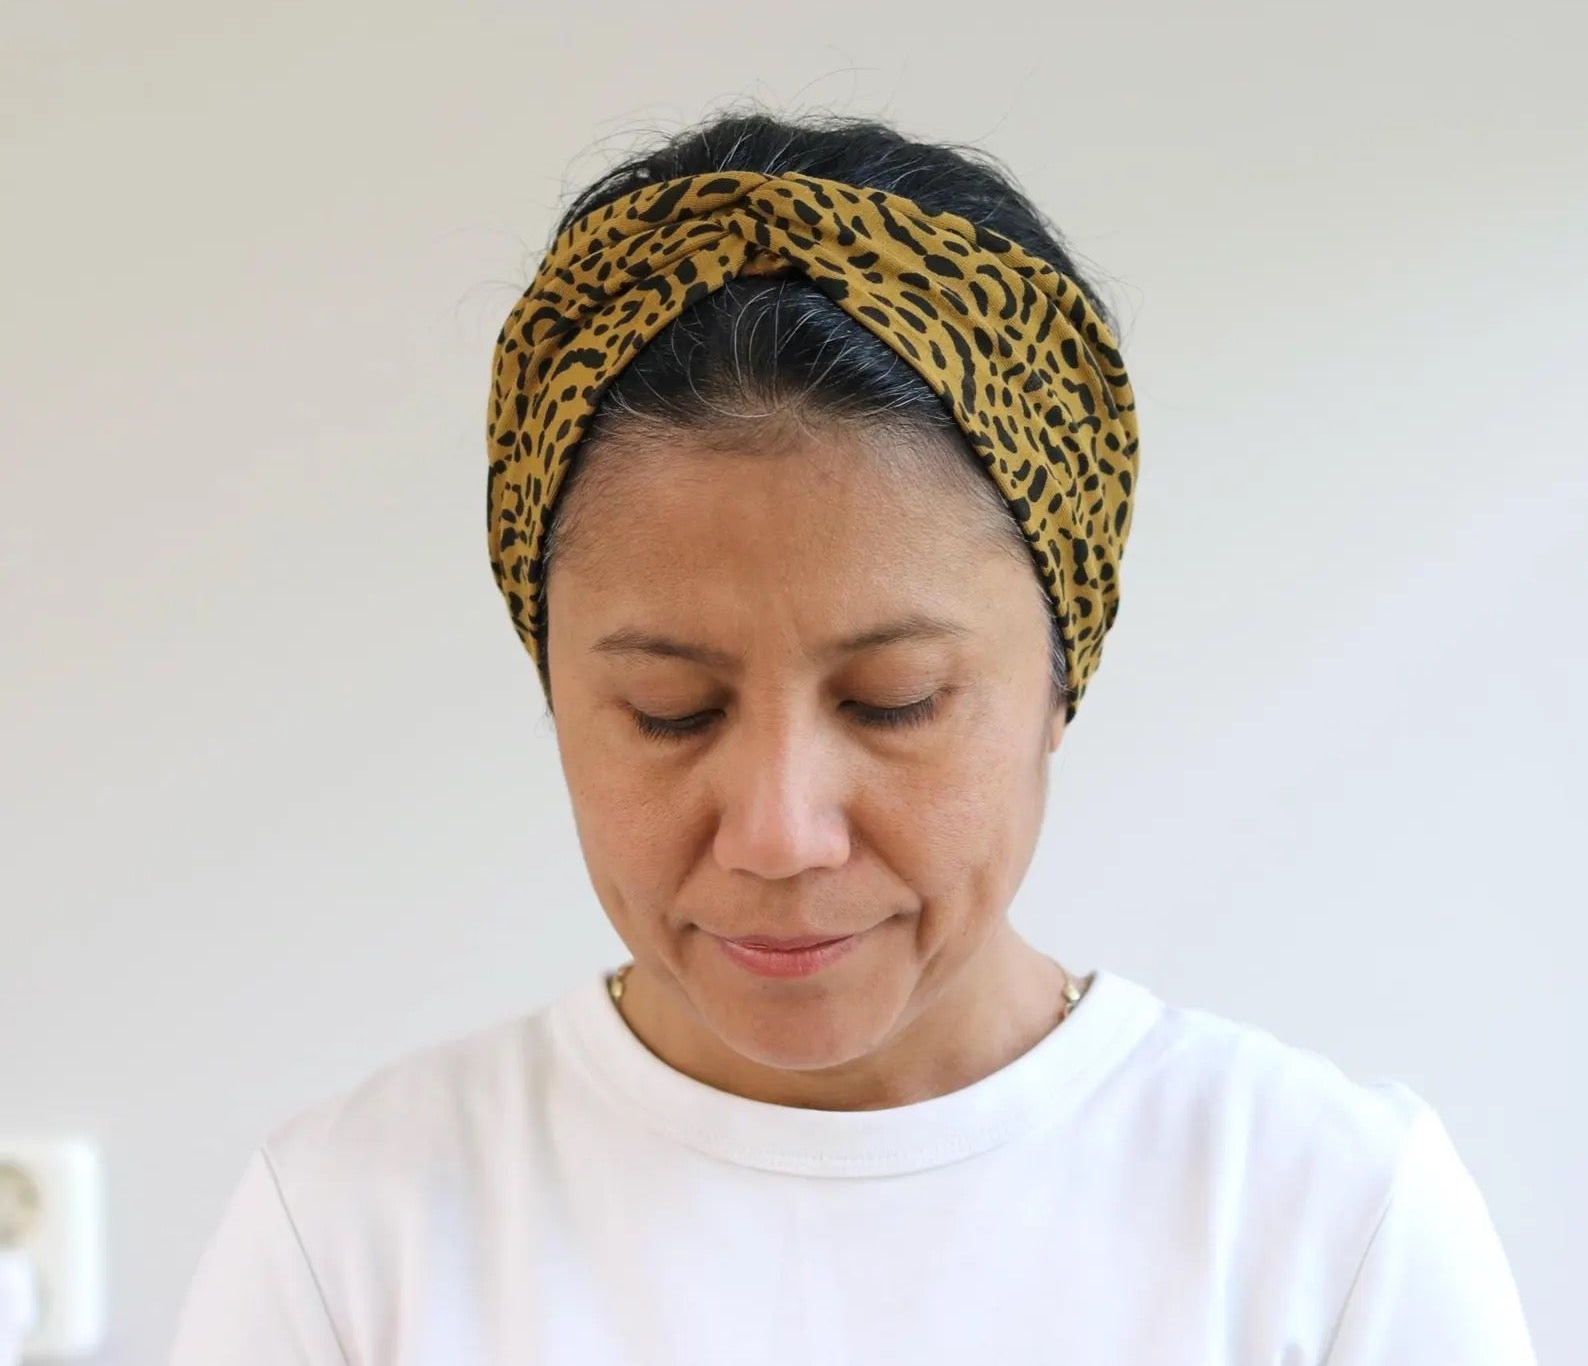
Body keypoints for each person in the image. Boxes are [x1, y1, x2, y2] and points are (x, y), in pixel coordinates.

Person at [169, 107, 1537, 1364]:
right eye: (670, 711)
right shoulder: (355, 1236)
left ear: (1064, 674)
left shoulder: (1328, 1226)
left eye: (894, 703)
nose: (778, 830)